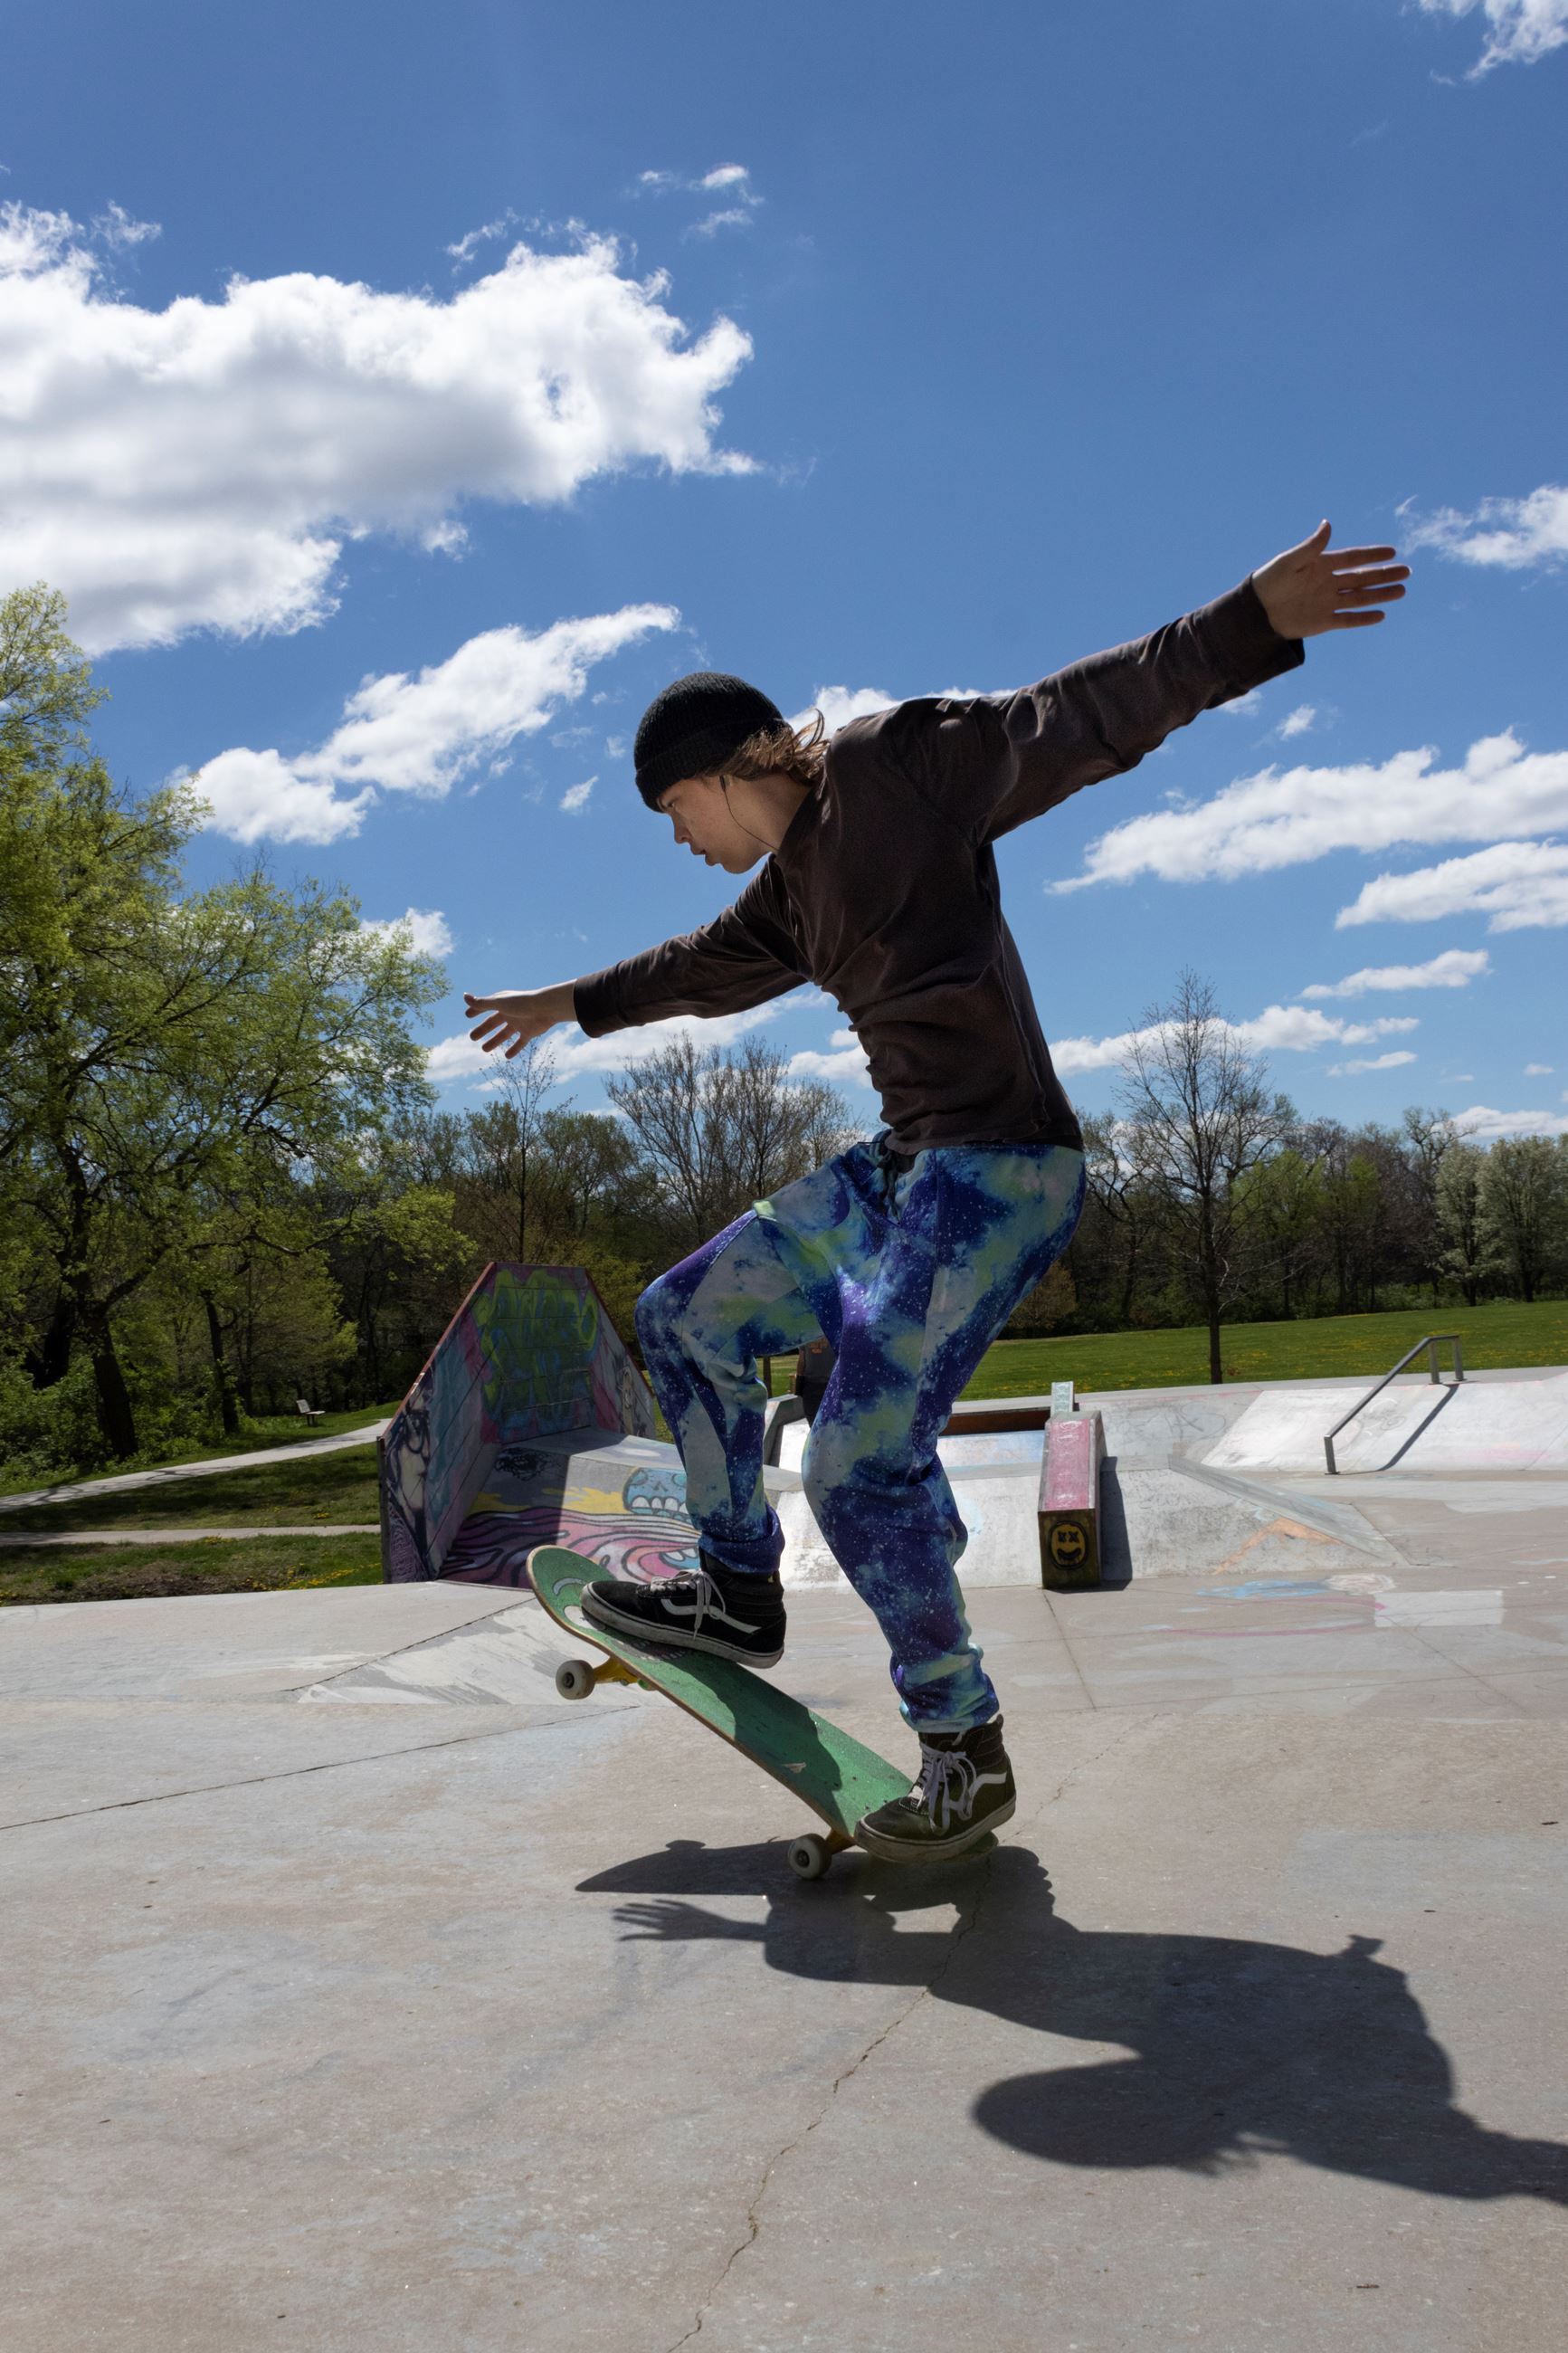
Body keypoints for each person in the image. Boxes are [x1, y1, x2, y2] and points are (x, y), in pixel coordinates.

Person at [464, 523, 1408, 1862]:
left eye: (676, 814)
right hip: (909, 1169)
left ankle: (962, 1747)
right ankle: (736, 1593)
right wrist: (568, 1002)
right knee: (684, 1314)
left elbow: (1069, 719)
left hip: (1002, 1169)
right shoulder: (787, 894)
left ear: (729, 770)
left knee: (855, 1460)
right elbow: (693, 968)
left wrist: (1248, 620)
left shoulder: (889, 767)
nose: (680, 842)